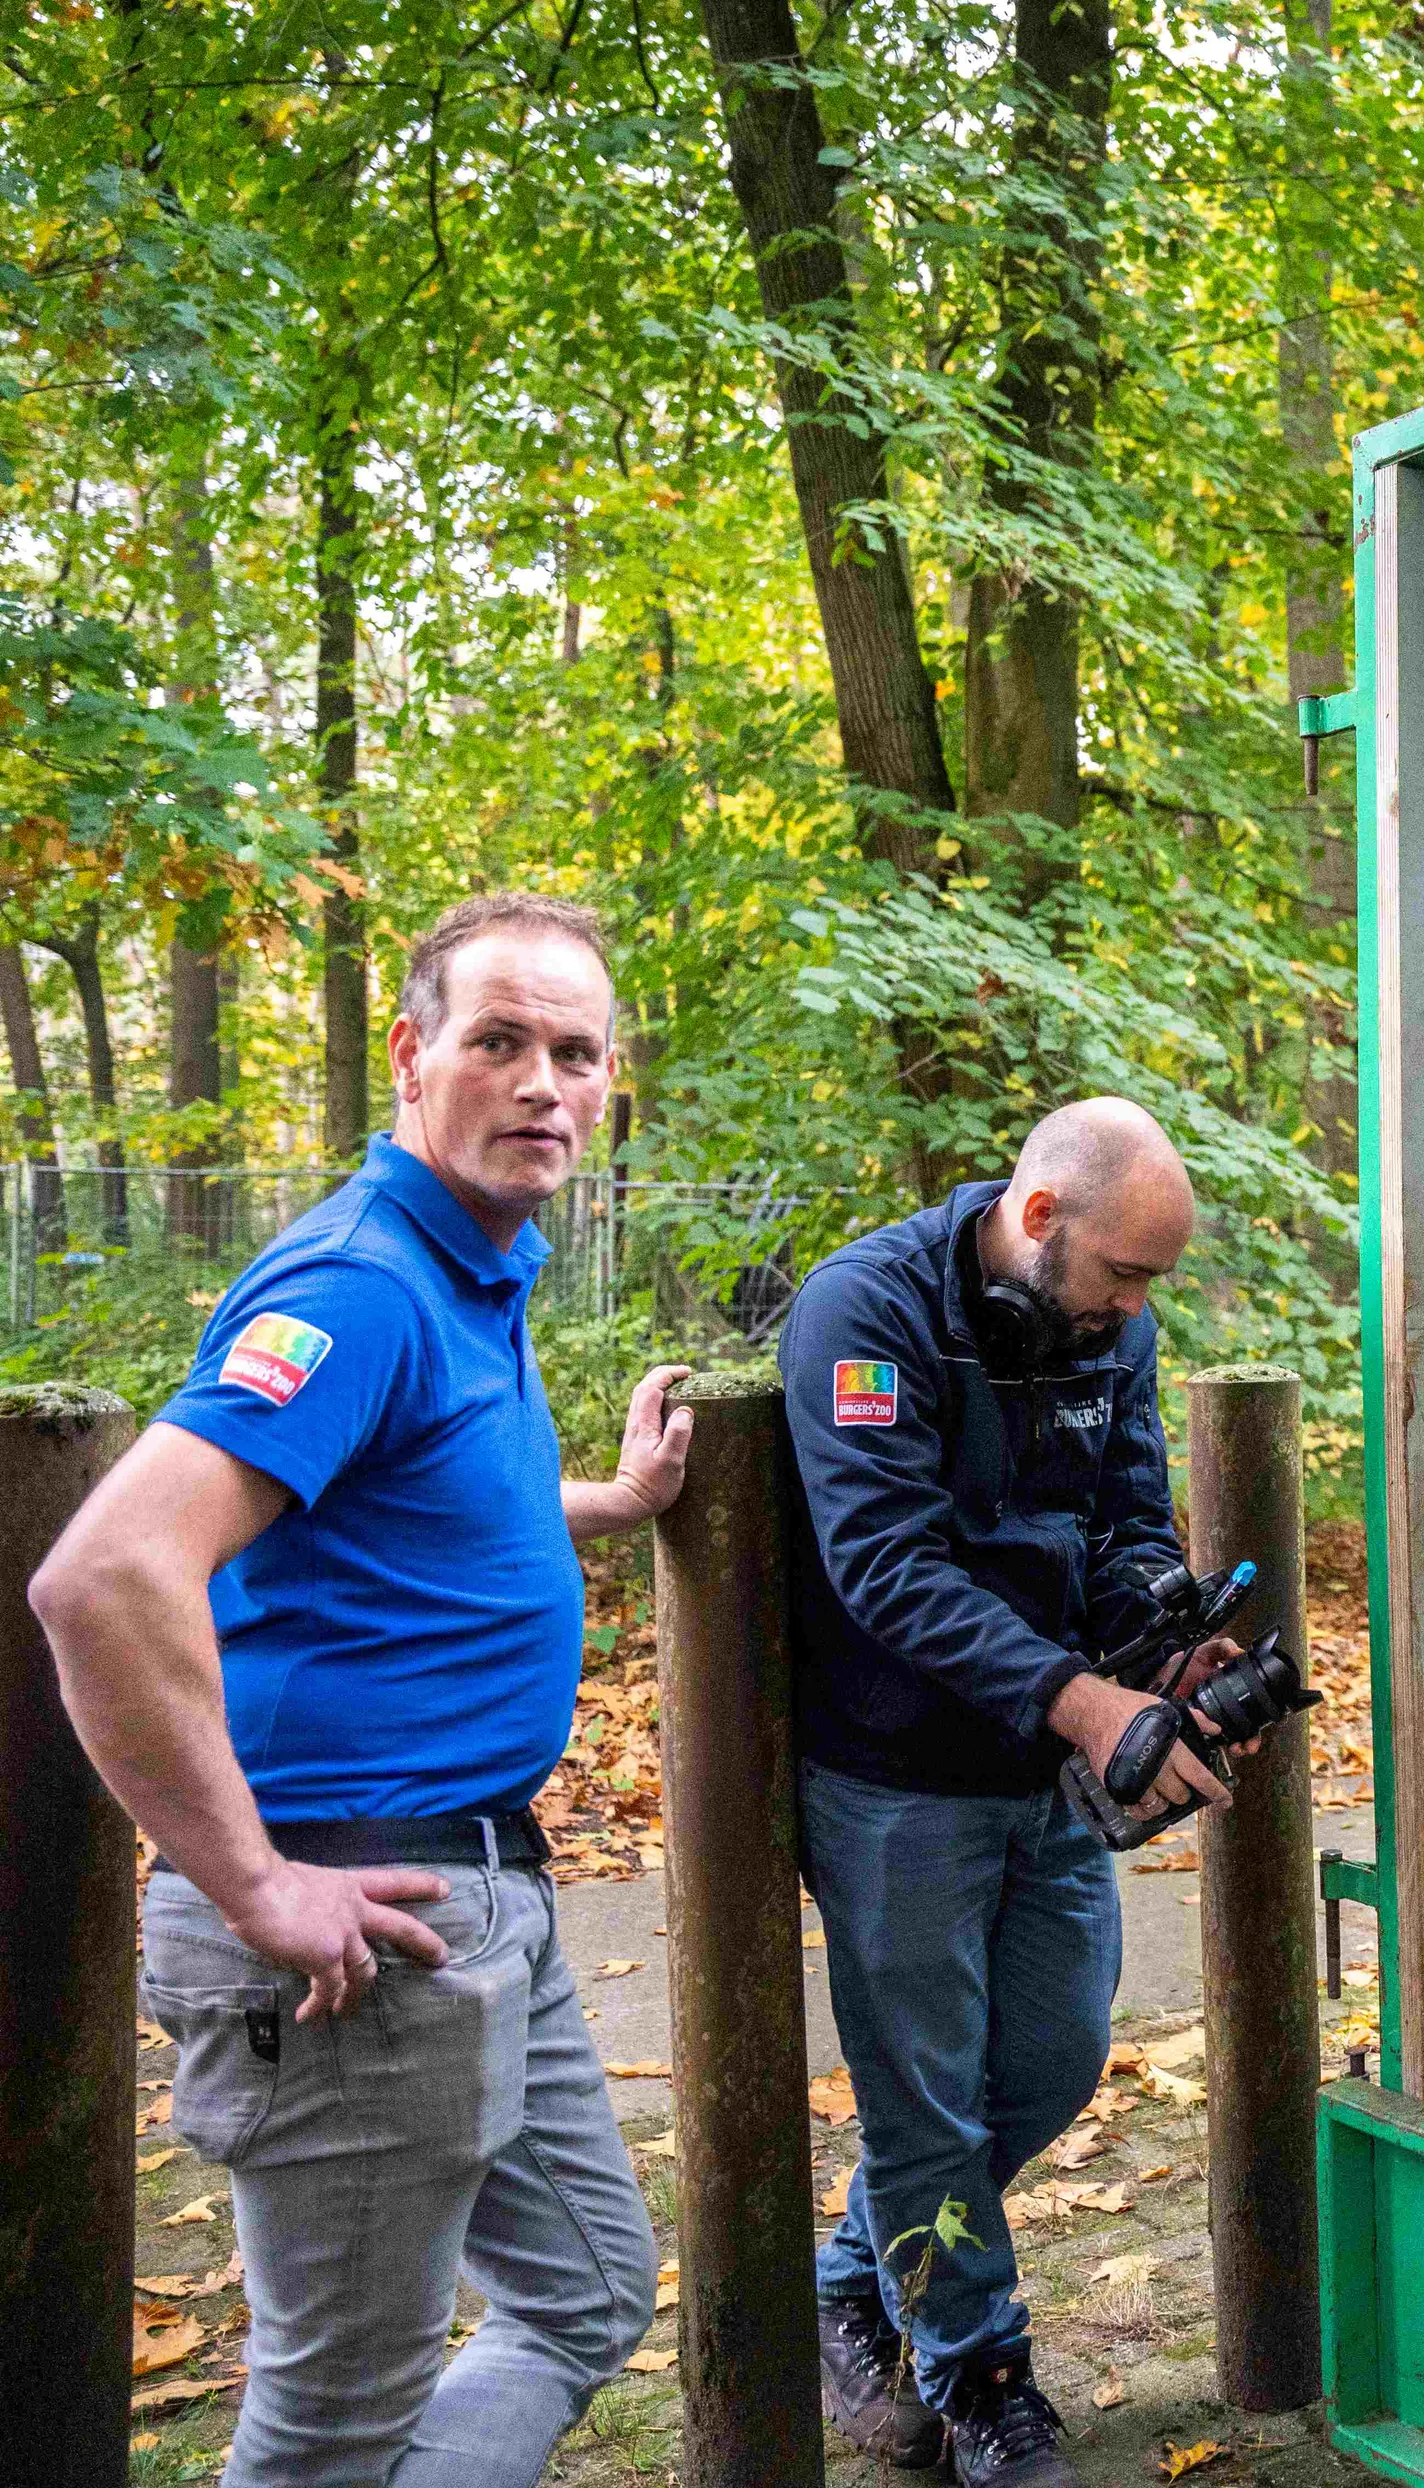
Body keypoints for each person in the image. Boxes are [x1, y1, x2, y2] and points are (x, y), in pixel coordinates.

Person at [28, 891, 692, 2488]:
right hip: (359, 1934)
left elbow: (398, 1500)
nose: (544, 1081)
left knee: (591, 2287)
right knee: (332, 2431)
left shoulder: (474, 1267)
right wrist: (254, 1884)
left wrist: (601, 1502)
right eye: (502, 1041)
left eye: (578, 1054)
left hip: (481, 1900)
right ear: (412, 1056)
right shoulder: (367, 1286)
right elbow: (104, 1578)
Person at [778, 1096, 1245, 2488]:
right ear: (1039, 1219)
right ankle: (981, 2378)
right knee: (924, 2106)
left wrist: (1165, 1645)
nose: (1135, 1308)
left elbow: (1121, 1517)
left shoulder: (1117, 1328)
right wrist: (1089, 1702)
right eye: (1123, 1275)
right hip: (893, 1778)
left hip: (1047, 1766)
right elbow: (885, 1569)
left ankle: (854, 2276)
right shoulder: (862, 1312)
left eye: (1152, 1283)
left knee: (1049, 2064)